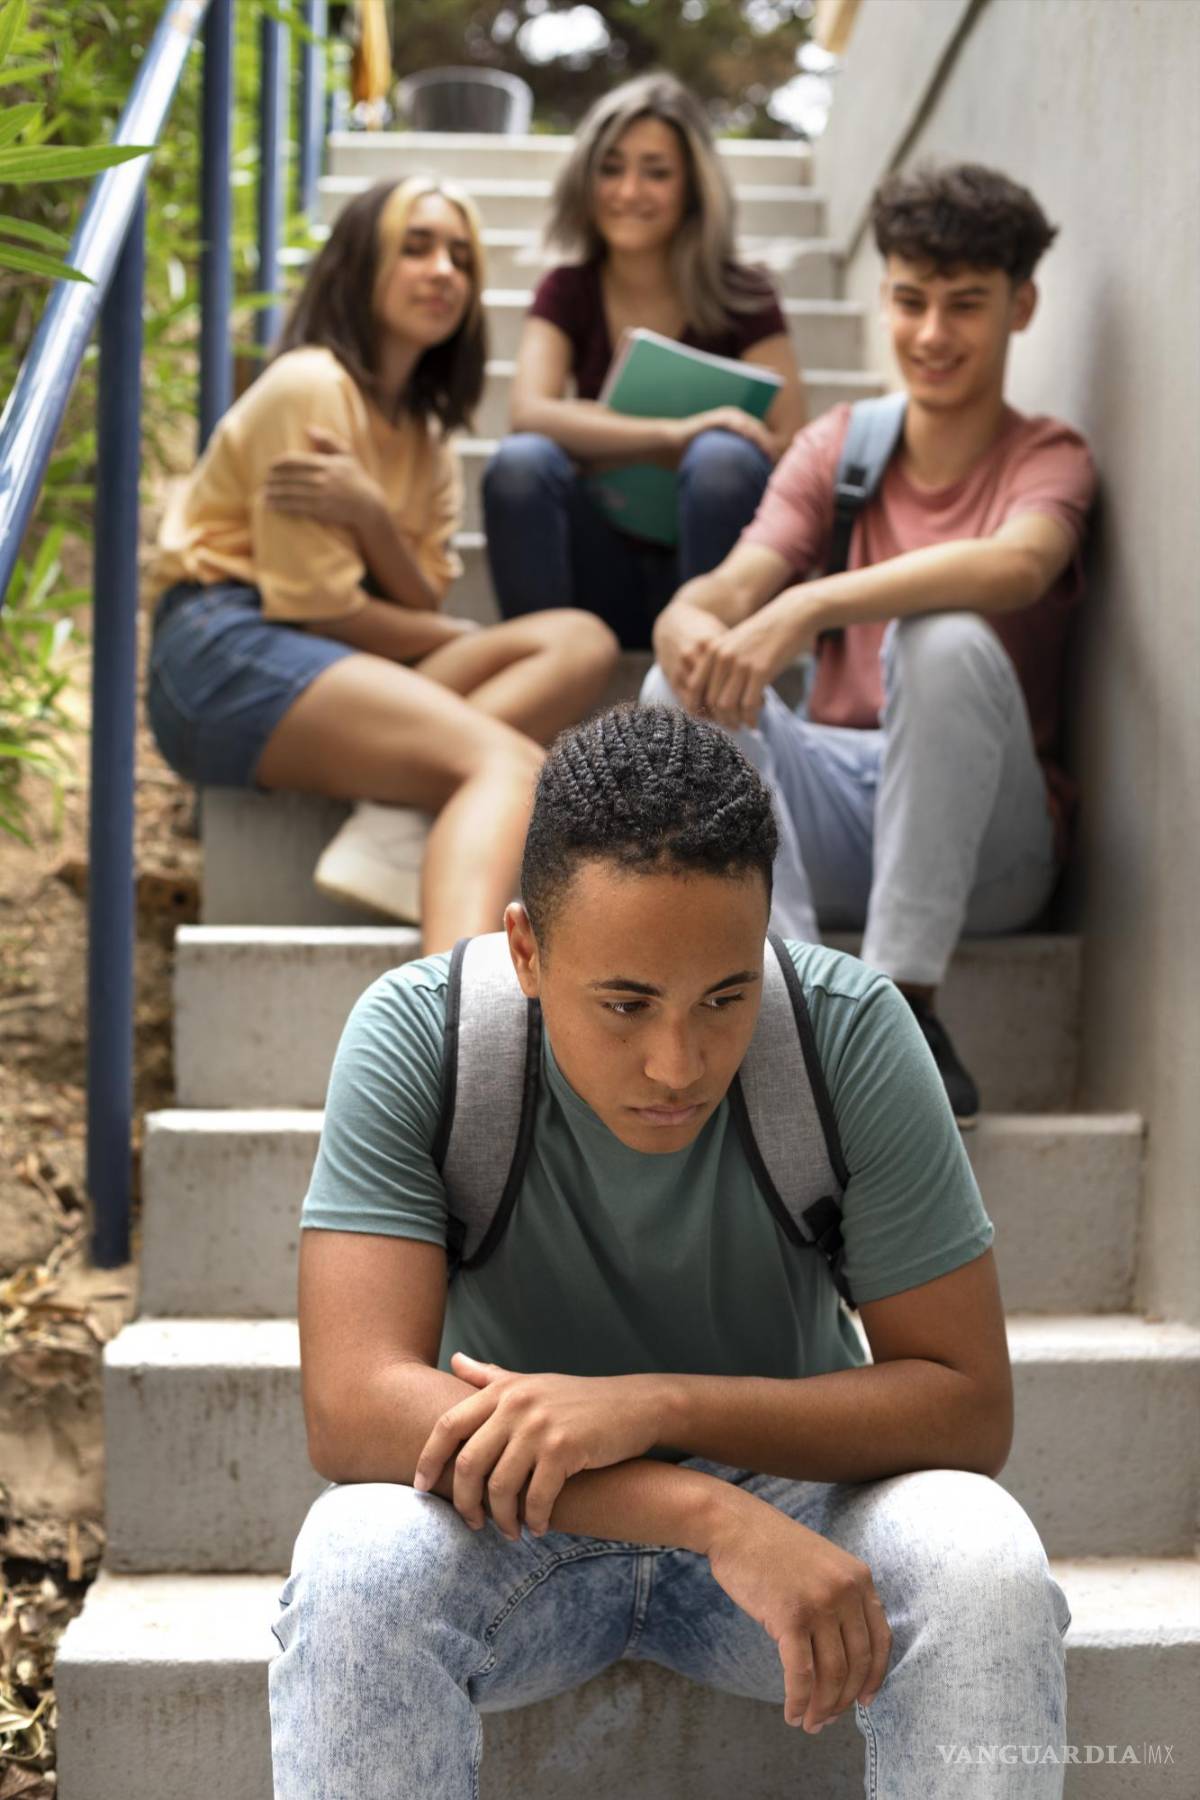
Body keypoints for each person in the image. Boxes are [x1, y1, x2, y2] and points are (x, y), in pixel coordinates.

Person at [269, 704, 1070, 1800]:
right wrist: (702, 1512)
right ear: (527, 950)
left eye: (725, 996)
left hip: (803, 1515)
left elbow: (967, 1404)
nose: (677, 1062)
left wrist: (656, 1406)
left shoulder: (847, 1034)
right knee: (356, 1560)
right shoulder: (425, 1037)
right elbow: (353, 1406)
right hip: (518, 1521)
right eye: (626, 1004)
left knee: (980, 1554)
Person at [647, 162, 1096, 1124]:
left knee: (940, 642)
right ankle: (791, 1003)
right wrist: (684, 624)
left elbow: (1018, 566)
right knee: (670, 686)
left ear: (1021, 306)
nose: (932, 335)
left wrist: (810, 609)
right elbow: (725, 588)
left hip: (992, 850)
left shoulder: (1047, 456)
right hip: (841, 810)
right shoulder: (842, 445)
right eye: (910, 301)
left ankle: (906, 1007)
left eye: (965, 305)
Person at [146, 177, 618, 953]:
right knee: (506, 763)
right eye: (417, 247)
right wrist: (443, 624)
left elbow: (421, 589)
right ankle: (459, 1038)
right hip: (222, 646)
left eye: (462, 258)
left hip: (323, 654)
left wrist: (369, 513)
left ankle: (399, 816)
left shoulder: (426, 436)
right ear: (359, 265)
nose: (444, 272)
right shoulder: (309, 386)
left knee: (579, 641)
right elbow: (320, 608)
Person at [482, 73, 807, 649]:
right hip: (598, 573)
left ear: (691, 188)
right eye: (611, 168)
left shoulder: (745, 292)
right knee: (521, 462)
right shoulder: (566, 289)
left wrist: (692, 448)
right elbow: (529, 412)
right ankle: (539, 672)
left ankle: (708, 709)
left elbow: (793, 439)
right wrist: (674, 436)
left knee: (724, 458)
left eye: (656, 172)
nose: (629, 191)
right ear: (586, 181)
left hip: (719, 577)